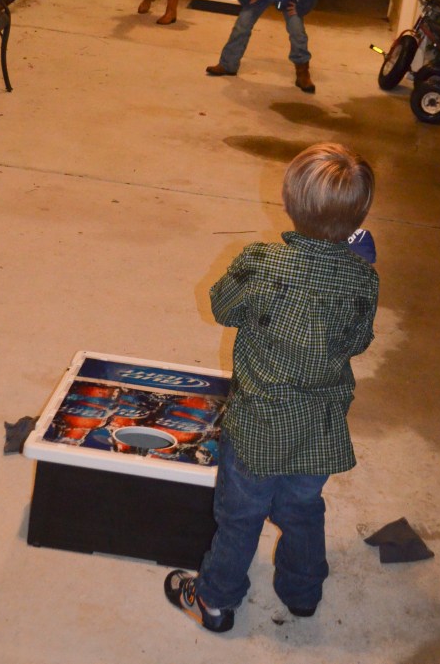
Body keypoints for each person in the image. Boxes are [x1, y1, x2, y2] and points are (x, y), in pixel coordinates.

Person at [164, 142, 379, 633]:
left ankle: (215, 601)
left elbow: (222, 306)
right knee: (302, 509)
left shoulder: (261, 262)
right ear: (360, 216)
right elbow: (359, 342)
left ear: (288, 202)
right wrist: (356, 268)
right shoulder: (364, 281)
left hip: (257, 427)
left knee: (240, 516)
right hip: (320, 430)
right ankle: (303, 595)